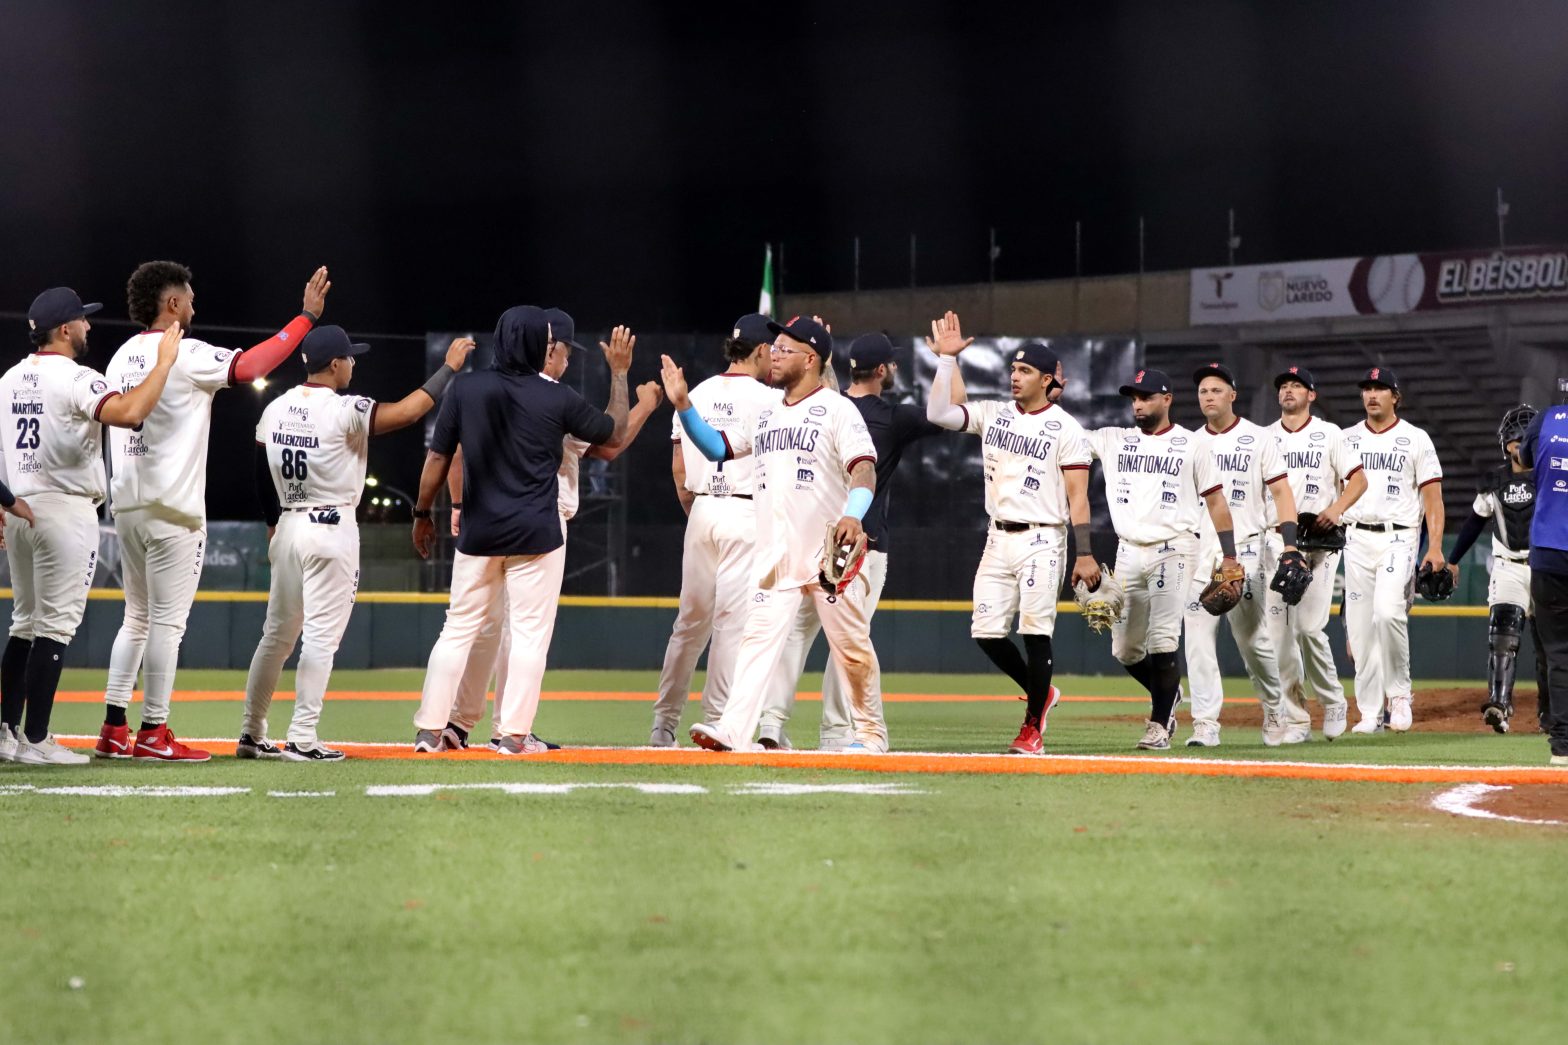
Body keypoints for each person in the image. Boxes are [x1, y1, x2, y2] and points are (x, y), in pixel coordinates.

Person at [94, 261, 330, 763]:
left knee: (135, 618)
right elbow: (252, 366)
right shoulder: (185, 351)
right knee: (167, 624)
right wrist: (306, 318)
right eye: (189, 297)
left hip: (127, 506)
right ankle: (153, 731)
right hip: (173, 511)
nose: (194, 305)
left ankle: (113, 728)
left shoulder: (119, 357)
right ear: (172, 303)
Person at [237, 326, 475, 761]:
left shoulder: (276, 407)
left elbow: (258, 469)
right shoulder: (344, 408)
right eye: (349, 357)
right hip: (331, 527)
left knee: (275, 638)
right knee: (320, 640)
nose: (353, 363)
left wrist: (274, 524)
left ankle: (252, 733)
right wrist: (449, 368)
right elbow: (408, 412)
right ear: (334, 364)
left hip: (289, 524)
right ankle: (302, 737)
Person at [659, 314, 888, 752]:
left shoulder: (838, 410)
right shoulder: (765, 412)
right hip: (775, 556)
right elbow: (718, 448)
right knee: (755, 643)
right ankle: (733, 729)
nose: (775, 354)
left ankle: (871, 734)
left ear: (811, 358)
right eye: (775, 347)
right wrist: (685, 406)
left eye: (785, 349)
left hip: (828, 556)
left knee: (851, 647)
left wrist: (854, 514)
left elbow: (864, 469)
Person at [409, 306, 630, 755]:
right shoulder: (556, 396)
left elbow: (438, 457)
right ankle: (512, 736)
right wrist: (621, 374)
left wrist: (422, 512)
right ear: (536, 344)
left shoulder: (465, 388)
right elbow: (612, 434)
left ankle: (430, 731)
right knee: (529, 635)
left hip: (479, 531)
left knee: (457, 629)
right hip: (536, 533)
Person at [756, 326, 965, 750]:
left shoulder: (829, 406)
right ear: (884, 370)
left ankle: (771, 726)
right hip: (861, 546)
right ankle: (836, 733)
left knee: (793, 637)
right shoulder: (891, 417)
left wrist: (821, 359)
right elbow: (950, 411)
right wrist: (948, 358)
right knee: (848, 641)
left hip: (807, 540)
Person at [0, 288, 177, 765]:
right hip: (65, 509)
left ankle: (5, 732)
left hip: (20, 508)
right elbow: (129, 412)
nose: (88, 326)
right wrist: (163, 364)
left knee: (24, 623)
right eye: (82, 320)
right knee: (54, 627)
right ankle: (37, 739)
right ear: (64, 329)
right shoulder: (77, 377)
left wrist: (4, 501)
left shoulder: (9, 379)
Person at [903, 314, 1093, 754]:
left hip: (1043, 538)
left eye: (1025, 370)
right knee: (986, 632)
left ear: (1047, 380)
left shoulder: (1066, 429)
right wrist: (947, 361)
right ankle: (1042, 691)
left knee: (1035, 632)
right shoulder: (994, 414)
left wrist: (1084, 552)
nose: (1014, 376)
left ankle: (1032, 729)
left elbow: (1078, 497)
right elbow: (938, 413)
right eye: (1013, 369)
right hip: (998, 537)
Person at [1086, 368, 1239, 750]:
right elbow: (1064, 439)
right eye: (1135, 397)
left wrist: (1229, 556)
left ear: (1167, 399)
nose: (1138, 404)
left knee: (1162, 637)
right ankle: (1167, 693)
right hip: (1127, 550)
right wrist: (1050, 395)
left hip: (1175, 547)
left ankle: (1158, 725)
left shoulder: (1192, 445)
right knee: (1125, 649)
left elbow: (1217, 502)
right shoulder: (1113, 439)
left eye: (1147, 396)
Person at [648, 313, 777, 746]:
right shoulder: (768, 400)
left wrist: (697, 512)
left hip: (703, 511)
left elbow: (678, 468)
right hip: (745, 513)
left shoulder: (697, 392)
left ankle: (663, 723)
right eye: (773, 350)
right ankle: (719, 719)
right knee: (730, 624)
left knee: (689, 623)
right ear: (762, 350)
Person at [1179, 362, 1304, 747]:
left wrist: (1290, 544)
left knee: (1252, 641)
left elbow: (1282, 493)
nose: (1208, 396)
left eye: (1216, 390)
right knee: (1197, 637)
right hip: (1201, 550)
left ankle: (1275, 708)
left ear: (1232, 395)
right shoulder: (1189, 443)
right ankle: (1205, 723)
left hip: (1247, 549)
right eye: (1203, 391)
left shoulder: (1258, 438)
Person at [1339, 367, 1445, 734]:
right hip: (1355, 537)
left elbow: (1433, 499)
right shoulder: (1347, 438)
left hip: (1398, 536)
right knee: (1359, 630)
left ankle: (1399, 694)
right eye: (1367, 388)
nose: (1372, 395)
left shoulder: (1415, 438)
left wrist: (1434, 547)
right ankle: (1370, 713)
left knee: (1387, 613)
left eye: (1380, 389)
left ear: (1395, 397)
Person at [1264, 366, 1367, 740]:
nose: (1288, 390)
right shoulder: (1264, 438)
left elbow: (1359, 480)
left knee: (1308, 628)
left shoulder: (1330, 434)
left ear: (1311, 395)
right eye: (1284, 386)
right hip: (1276, 542)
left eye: (1297, 385)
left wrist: (1337, 509)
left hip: (1319, 542)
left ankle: (1333, 700)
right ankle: (1297, 720)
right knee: (1278, 638)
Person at [1446, 404, 1544, 734]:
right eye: (1516, 441)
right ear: (1506, 445)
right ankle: (1498, 705)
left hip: (1547, 566)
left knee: (1550, 645)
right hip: (1508, 567)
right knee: (1502, 637)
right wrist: (1453, 559)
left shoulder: (1554, 477)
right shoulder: (1494, 482)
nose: (1520, 446)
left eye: (1526, 440)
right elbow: (1474, 522)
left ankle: (1551, 714)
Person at [1516, 386, 1568, 766]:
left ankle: (1562, 745)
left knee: (1559, 652)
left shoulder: (1545, 419)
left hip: (1549, 550)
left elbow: (1523, 459)